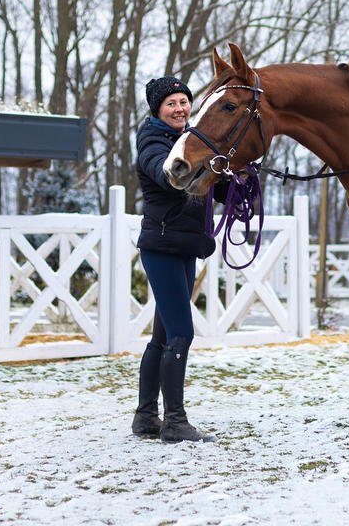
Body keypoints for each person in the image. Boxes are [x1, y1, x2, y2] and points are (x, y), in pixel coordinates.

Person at [132, 75, 216, 443]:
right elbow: (165, 174)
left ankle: (145, 417)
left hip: (182, 245)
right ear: (157, 109)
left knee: (162, 335)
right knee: (181, 332)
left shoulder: (191, 140)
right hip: (162, 245)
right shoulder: (152, 139)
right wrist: (201, 165)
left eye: (183, 101)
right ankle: (175, 422)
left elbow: (217, 185)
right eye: (171, 103)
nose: (180, 108)